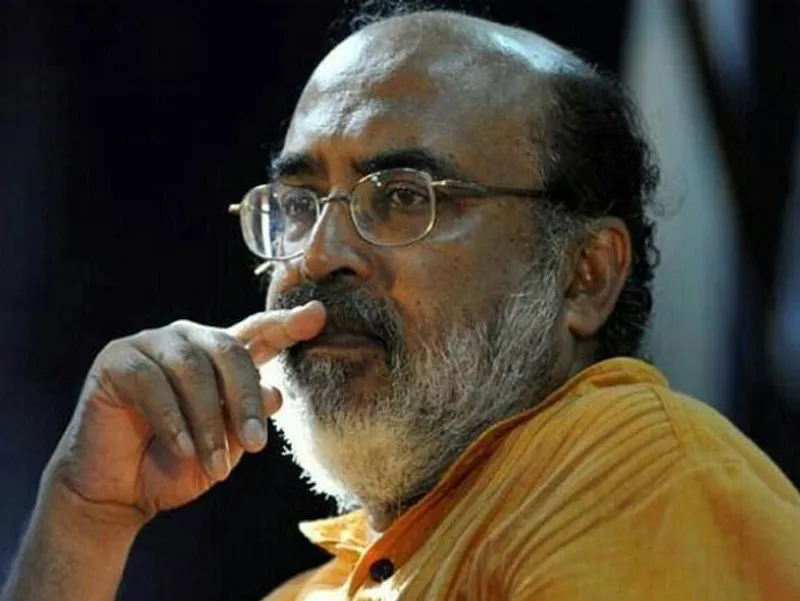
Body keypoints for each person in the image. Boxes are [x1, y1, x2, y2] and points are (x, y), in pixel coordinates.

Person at [3, 6, 800, 601]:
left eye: (403, 197)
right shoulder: (319, 589)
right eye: (299, 203)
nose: (317, 254)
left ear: (583, 275)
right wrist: (85, 516)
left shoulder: (638, 476)